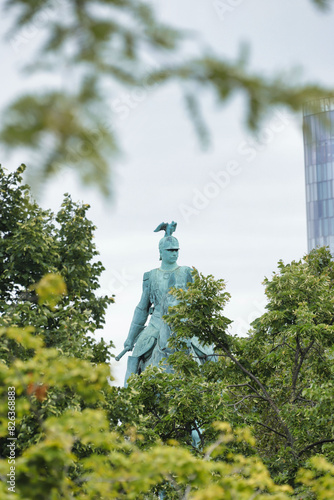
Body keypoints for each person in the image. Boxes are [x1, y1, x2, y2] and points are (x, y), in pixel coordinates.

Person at [121, 224, 214, 387]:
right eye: (170, 250)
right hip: (156, 324)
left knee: (210, 351)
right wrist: (130, 338)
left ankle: (221, 392)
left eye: (176, 250)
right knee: (136, 354)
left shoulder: (187, 272)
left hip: (186, 324)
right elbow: (142, 308)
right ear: (161, 252)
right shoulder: (151, 276)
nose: (174, 253)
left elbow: (200, 302)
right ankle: (127, 397)